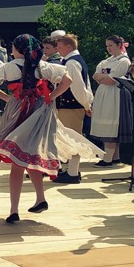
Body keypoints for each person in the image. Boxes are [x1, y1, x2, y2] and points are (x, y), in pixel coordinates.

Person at [0, 34, 101, 223]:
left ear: (17, 49)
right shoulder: (43, 66)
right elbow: (67, 80)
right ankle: (40, 199)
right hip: (40, 111)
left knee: (18, 161)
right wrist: (51, 97)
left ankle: (14, 210)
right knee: (29, 154)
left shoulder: (9, 67)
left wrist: (6, 98)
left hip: (18, 111)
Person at [53, 34, 94, 184]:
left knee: (73, 138)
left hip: (71, 106)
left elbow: (77, 87)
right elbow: (86, 84)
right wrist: (87, 102)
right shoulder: (74, 61)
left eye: (60, 46)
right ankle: (71, 170)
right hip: (70, 106)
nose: (57, 49)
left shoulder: (71, 63)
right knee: (68, 138)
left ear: (69, 47)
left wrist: (86, 103)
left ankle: (73, 172)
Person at [89, 36, 133, 166]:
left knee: (111, 123)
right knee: (105, 122)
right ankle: (114, 157)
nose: (108, 48)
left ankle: (108, 158)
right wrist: (104, 77)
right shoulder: (106, 61)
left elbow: (112, 80)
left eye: (111, 45)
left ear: (119, 45)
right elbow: (96, 76)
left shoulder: (124, 61)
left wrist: (104, 77)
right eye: (107, 46)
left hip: (115, 94)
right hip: (104, 93)